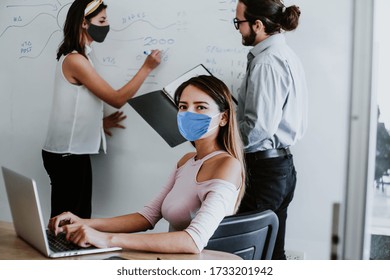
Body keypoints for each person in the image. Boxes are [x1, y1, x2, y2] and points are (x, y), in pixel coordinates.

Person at [48, 75, 245, 253]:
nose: (188, 113)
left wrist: (106, 239)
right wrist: (85, 223)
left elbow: (193, 241)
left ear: (224, 118)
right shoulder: (186, 161)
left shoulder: (228, 166)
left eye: (200, 107)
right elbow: (147, 217)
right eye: (183, 107)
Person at [42, 0, 161, 219]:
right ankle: (64, 252)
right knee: (72, 220)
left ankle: (65, 250)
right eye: (102, 20)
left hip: (68, 153)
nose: (107, 25)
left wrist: (98, 124)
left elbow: (74, 104)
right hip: (67, 155)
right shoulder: (76, 60)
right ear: (84, 23)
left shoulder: (80, 56)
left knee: (72, 217)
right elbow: (116, 99)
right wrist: (147, 68)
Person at [234, 0, 308, 259]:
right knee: (271, 255)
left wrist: (221, 140)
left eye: (239, 23)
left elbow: (258, 128)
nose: (238, 29)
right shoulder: (285, 55)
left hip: (264, 172)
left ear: (257, 24)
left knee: (246, 257)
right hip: (279, 168)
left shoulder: (267, 62)